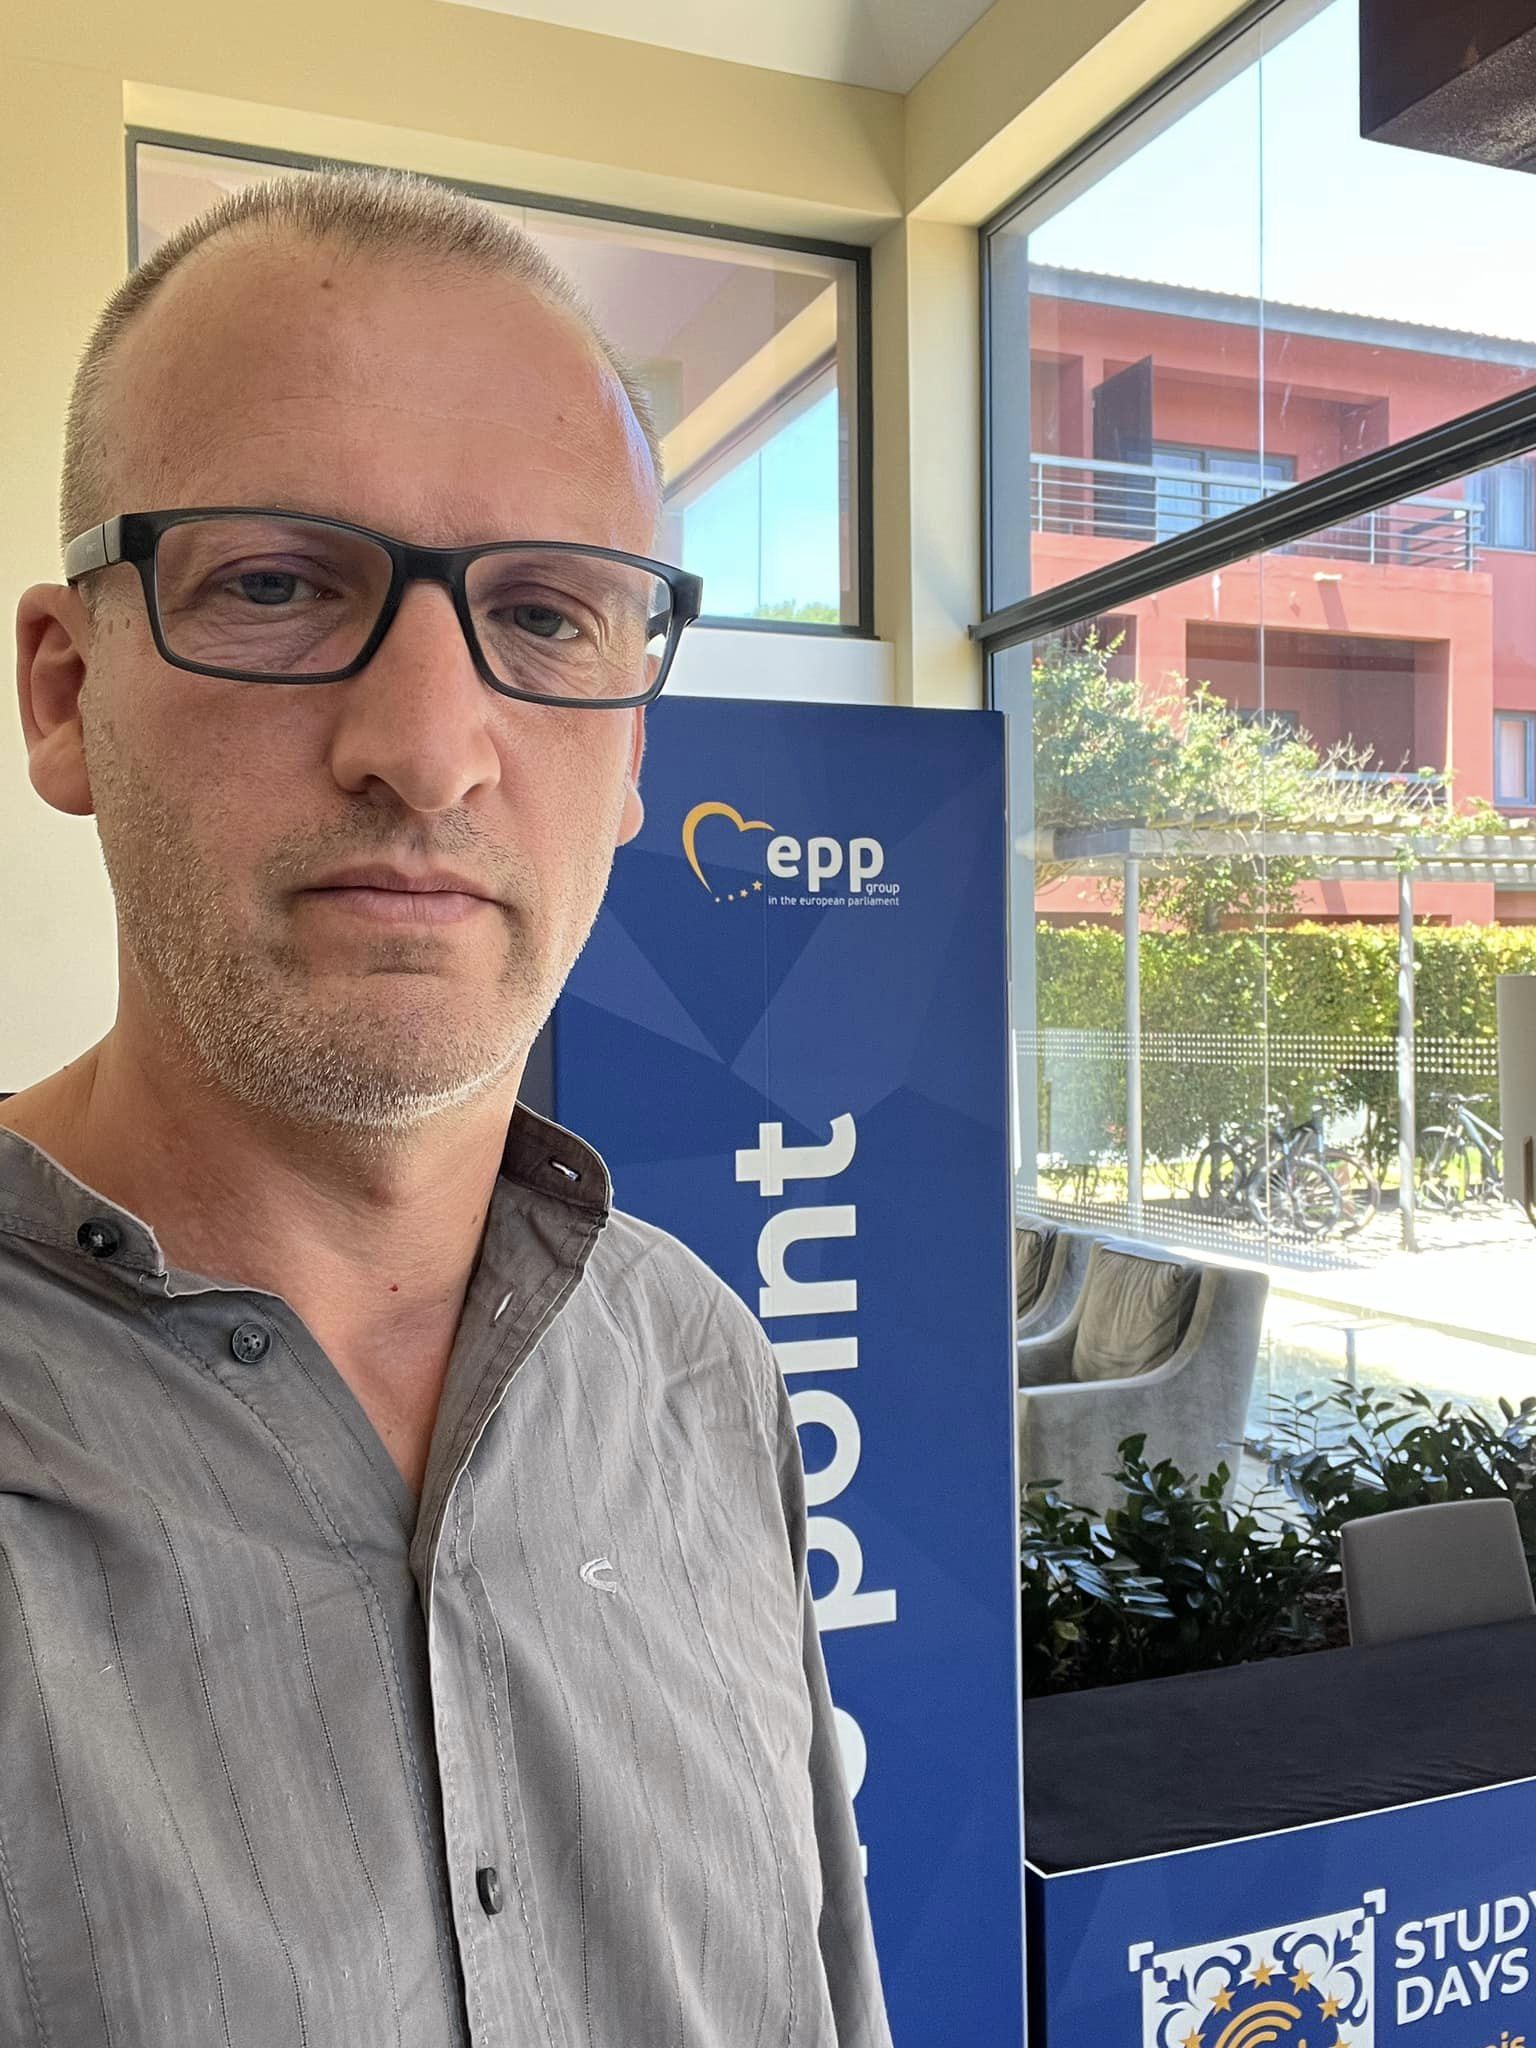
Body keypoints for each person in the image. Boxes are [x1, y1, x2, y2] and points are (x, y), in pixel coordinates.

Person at [0, 168, 891, 2048]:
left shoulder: (702, 1370)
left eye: (548, 616)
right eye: (273, 584)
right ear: (66, 698)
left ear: (633, 757)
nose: (424, 748)